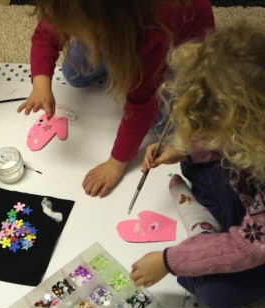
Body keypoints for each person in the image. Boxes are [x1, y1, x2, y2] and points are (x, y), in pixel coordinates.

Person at [129, 24, 265, 308]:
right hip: (251, 194)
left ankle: (208, 235)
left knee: (216, 295)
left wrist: (169, 261)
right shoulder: (250, 129)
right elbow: (217, 142)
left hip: (258, 240)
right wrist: (182, 150)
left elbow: (249, 248)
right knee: (194, 163)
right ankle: (211, 229)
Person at [17, 0, 214, 197]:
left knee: (168, 129)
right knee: (73, 74)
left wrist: (115, 163)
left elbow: (141, 106)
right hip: (117, 26)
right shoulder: (72, 6)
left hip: (182, 44)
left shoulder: (150, 34)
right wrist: (40, 84)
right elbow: (46, 33)